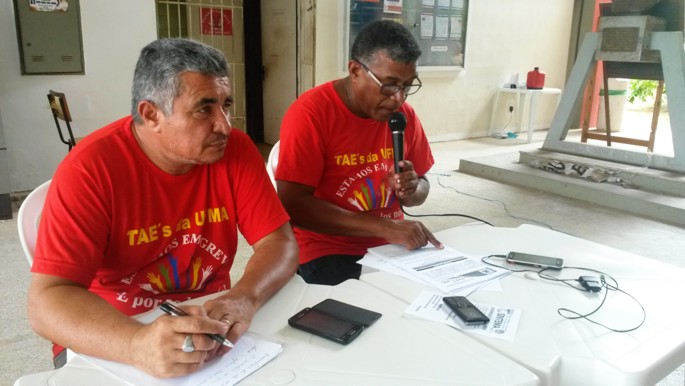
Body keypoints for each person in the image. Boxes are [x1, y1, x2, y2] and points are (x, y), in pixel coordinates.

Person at [28, 38, 299, 378]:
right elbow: (47, 301)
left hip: (209, 325)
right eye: (204, 108)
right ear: (151, 114)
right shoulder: (91, 169)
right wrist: (136, 345)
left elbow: (279, 243)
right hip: (115, 332)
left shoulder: (235, 151)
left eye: (225, 106)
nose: (225, 125)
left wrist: (243, 298)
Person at [275, 20, 442, 286]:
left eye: (408, 86)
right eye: (389, 85)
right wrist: (383, 227)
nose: (399, 98)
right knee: (364, 317)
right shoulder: (311, 114)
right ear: (355, 70)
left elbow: (422, 186)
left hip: (394, 245)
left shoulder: (403, 117)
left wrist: (412, 188)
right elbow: (292, 205)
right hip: (328, 248)